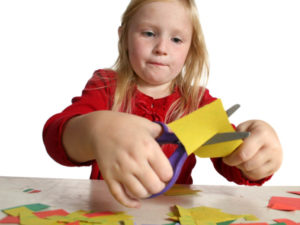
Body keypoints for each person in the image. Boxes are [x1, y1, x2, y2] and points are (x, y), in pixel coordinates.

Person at [43, 0, 283, 208]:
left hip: (175, 215)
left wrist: (258, 153)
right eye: (149, 33)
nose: (161, 49)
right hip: (109, 212)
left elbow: (233, 161)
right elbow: (56, 135)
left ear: (191, 49)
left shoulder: (197, 102)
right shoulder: (106, 86)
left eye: (177, 39)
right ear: (123, 36)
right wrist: (95, 129)